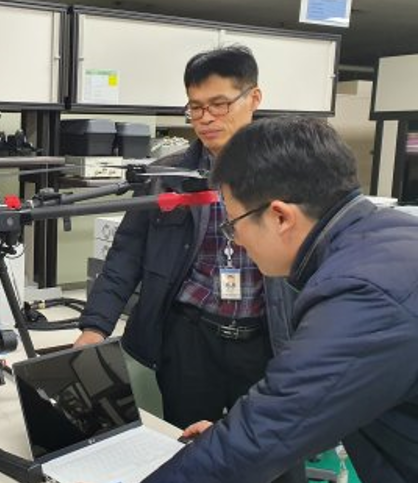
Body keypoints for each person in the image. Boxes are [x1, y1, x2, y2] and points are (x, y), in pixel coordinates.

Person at [144, 115, 418, 482]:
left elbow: (263, 435)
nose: (236, 240)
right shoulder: (392, 235)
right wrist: (232, 435)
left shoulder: (362, 295)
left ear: (280, 217)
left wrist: (237, 439)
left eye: (233, 224)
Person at [75, 45, 297, 431]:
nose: (205, 118)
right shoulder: (166, 176)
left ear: (254, 98)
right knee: (188, 443)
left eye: (219, 104)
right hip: (189, 339)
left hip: (266, 339)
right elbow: (125, 255)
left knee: (266, 445)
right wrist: (95, 327)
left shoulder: (290, 173)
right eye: (195, 107)